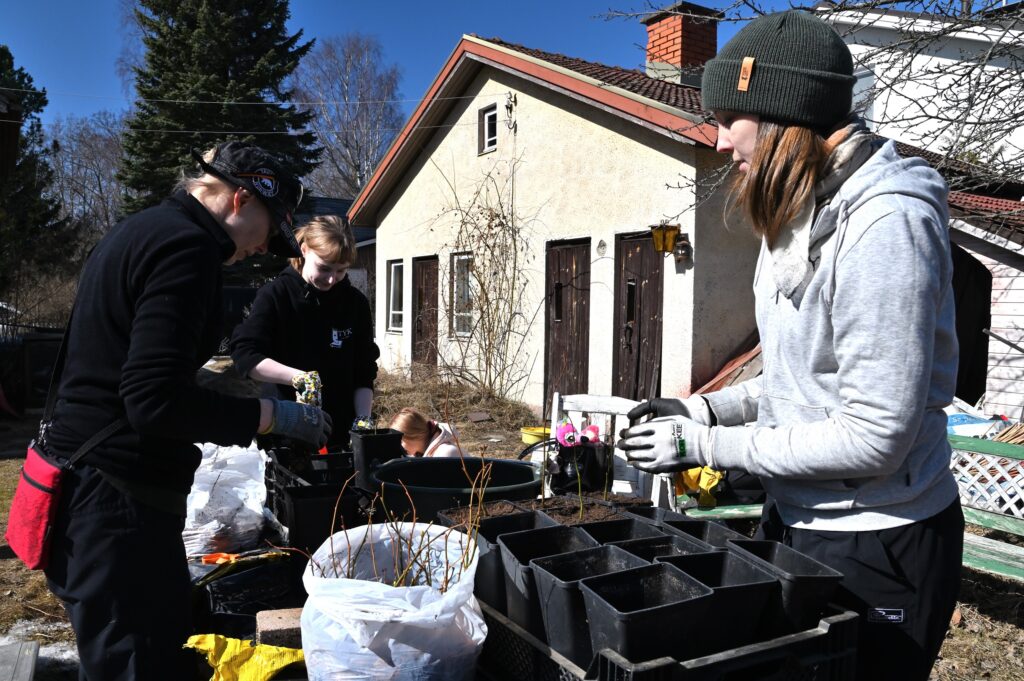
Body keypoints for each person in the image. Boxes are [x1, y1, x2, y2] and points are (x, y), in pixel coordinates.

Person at [617, 11, 962, 681]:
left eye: (728, 120)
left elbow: (874, 434)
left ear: (779, 114)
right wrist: (703, 412)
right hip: (799, 517)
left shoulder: (886, 224)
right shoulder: (796, 215)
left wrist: (706, 448)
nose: (718, 142)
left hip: (879, 536)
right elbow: (799, 379)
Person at [42, 141, 332, 681]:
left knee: (154, 643)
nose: (267, 246)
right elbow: (152, 400)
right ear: (243, 198)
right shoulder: (186, 248)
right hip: (113, 499)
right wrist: (267, 417)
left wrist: (213, 390)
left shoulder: (143, 229)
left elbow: (129, 365)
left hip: (91, 486)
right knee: (134, 664)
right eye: (272, 228)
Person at [230, 214, 379, 450]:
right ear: (304, 249)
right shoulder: (276, 295)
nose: (331, 279)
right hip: (287, 428)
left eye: (341, 271)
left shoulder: (355, 303)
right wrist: (298, 378)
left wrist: (363, 421)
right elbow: (246, 357)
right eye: (324, 268)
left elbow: (364, 370)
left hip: (342, 433)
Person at [389, 407, 467, 458]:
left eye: (401, 440)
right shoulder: (417, 456)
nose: (399, 445)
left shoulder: (447, 454)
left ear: (414, 435)